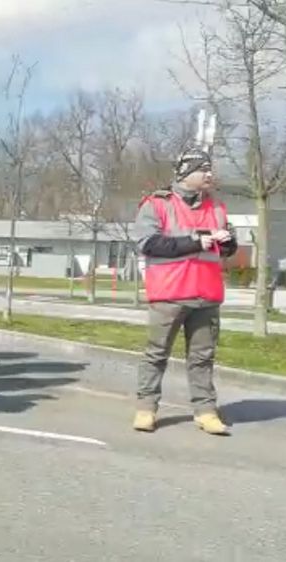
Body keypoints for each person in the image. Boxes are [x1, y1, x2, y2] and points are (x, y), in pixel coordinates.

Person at [132, 146, 237, 435]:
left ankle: (206, 412)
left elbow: (226, 249)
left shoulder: (216, 206)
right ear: (186, 173)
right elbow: (148, 244)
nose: (209, 174)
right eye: (204, 169)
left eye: (210, 168)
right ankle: (146, 409)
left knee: (203, 358)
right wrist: (195, 241)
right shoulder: (156, 204)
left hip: (207, 294)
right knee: (156, 354)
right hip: (169, 293)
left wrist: (228, 242)